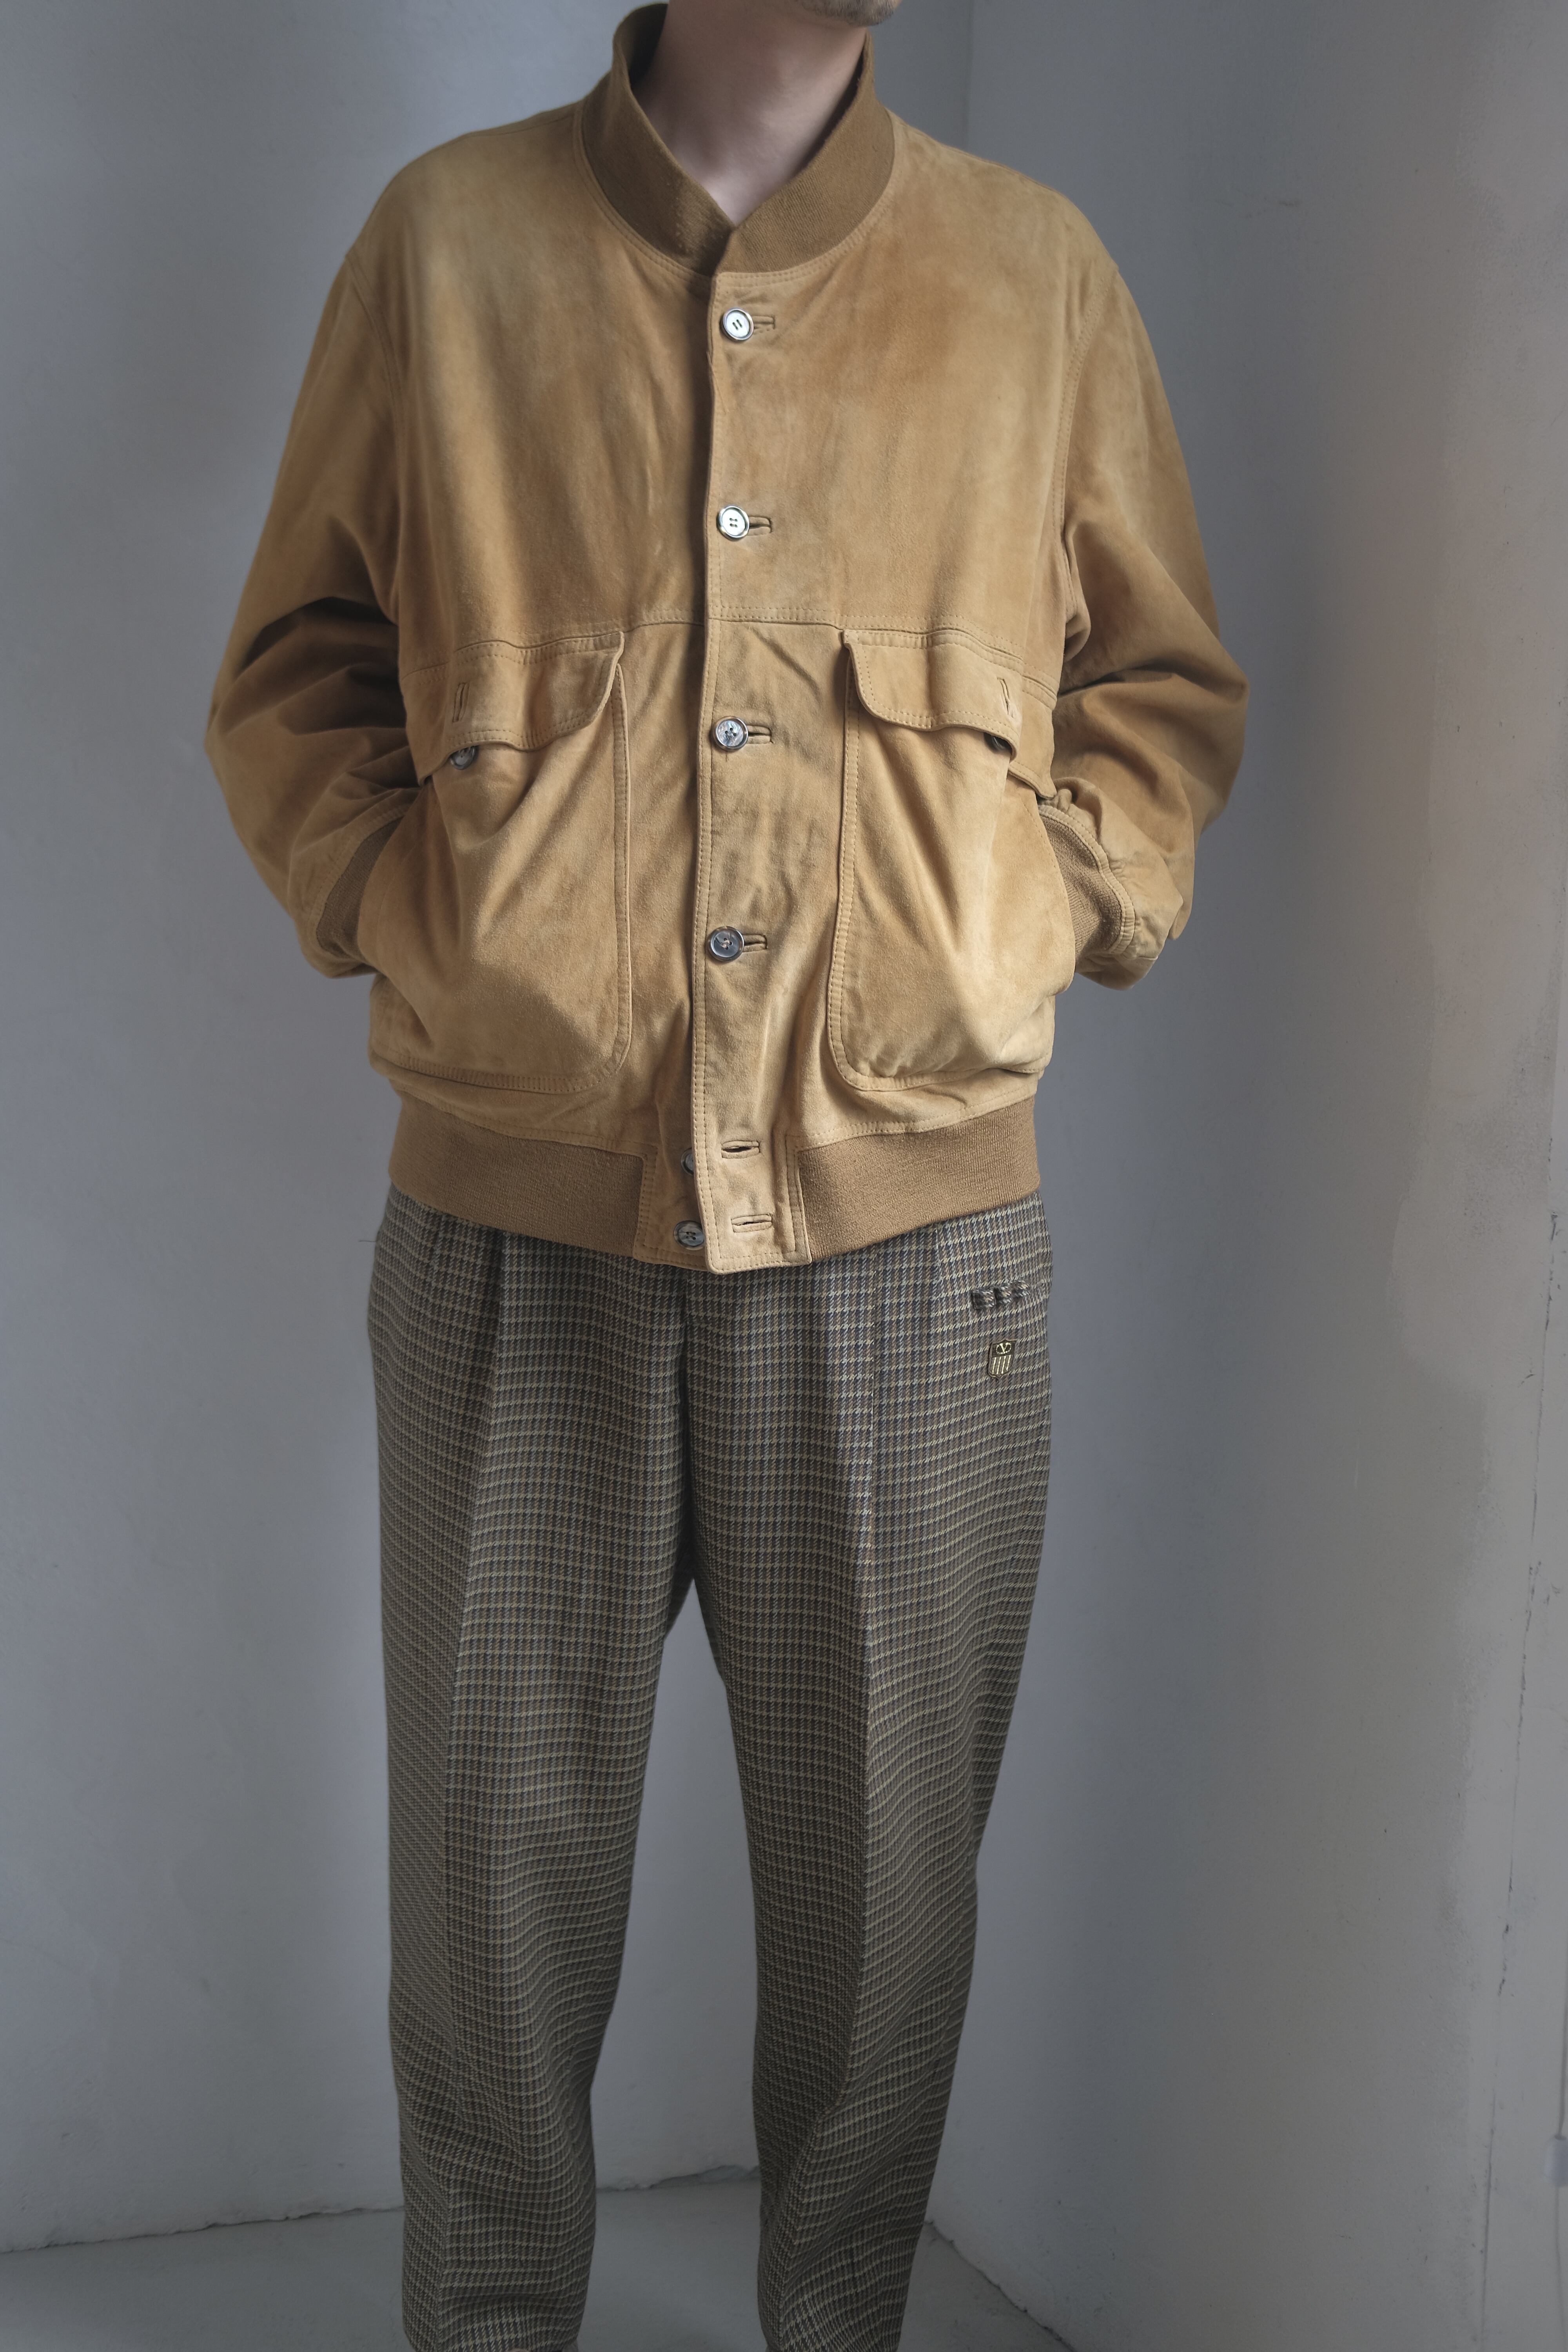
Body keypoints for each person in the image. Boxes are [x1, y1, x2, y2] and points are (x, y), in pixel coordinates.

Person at [206, 2, 1247, 2345]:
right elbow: (295, 671)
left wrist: (1032, 909)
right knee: (489, 1906)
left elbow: (1161, 689)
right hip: (513, 1239)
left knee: (886, 1918)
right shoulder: (449, 246)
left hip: (919, 1247)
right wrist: (420, 912)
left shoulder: (1033, 272)